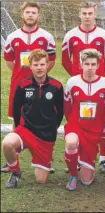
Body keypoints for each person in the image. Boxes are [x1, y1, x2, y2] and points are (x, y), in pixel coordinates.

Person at [2, 2, 56, 175]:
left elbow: (51, 61)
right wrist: (22, 75)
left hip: (40, 85)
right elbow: (10, 62)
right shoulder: (13, 36)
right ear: (22, 14)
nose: (31, 15)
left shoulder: (46, 36)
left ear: (38, 15)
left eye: (34, 12)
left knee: (42, 118)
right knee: (16, 121)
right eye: (28, 12)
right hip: (18, 86)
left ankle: (45, 159)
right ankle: (12, 161)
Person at [61, 1, 105, 173]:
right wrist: (77, 77)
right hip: (79, 86)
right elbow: (64, 60)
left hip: (98, 85)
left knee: (102, 122)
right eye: (84, 13)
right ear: (79, 14)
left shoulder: (104, 35)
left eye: (90, 13)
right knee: (79, 119)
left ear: (94, 13)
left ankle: (104, 159)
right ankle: (77, 157)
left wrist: (99, 77)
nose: (87, 16)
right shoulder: (70, 34)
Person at [1, 49, 63, 188]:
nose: (39, 68)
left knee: (41, 180)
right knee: (7, 143)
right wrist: (18, 129)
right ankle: (15, 172)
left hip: (45, 137)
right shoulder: (23, 85)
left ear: (47, 65)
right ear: (30, 66)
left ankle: (43, 161)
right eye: (36, 64)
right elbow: (16, 110)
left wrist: (52, 129)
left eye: (42, 64)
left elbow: (60, 112)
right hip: (26, 130)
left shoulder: (57, 86)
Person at [63, 49, 105, 191]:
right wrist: (73, 123)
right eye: (86, 64)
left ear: (98, 65)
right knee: (71, 142)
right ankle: (73, 174)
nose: (90, 67)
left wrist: (99, 126)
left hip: (94, 130)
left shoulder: (104, 82)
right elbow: (67, 106)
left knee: (87, 181)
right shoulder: (72, 82)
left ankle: (84, 163)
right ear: (80, 65)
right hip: (76, 126)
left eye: (93, 64)